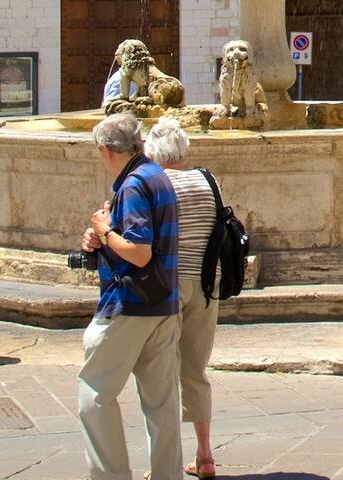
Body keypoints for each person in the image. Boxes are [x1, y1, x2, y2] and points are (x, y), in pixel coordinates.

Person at [76, 113, 183, 480]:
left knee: (94, 396)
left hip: (129, 306)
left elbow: (139, 251)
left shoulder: (134, 185)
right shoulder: (157, 176)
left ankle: (110, 475)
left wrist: (105, 232)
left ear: (106, 150)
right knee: (162, 403)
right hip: (164, 302)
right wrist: (103, 236)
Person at [143, 118, 223, 479]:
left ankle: (166, 464)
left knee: (161, 372)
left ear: (152, 152)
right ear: (184, 149)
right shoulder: (208, 181)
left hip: (168, 284)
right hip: (206, 284)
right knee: (195, 370)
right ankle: (205, 456)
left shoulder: (156, 184)